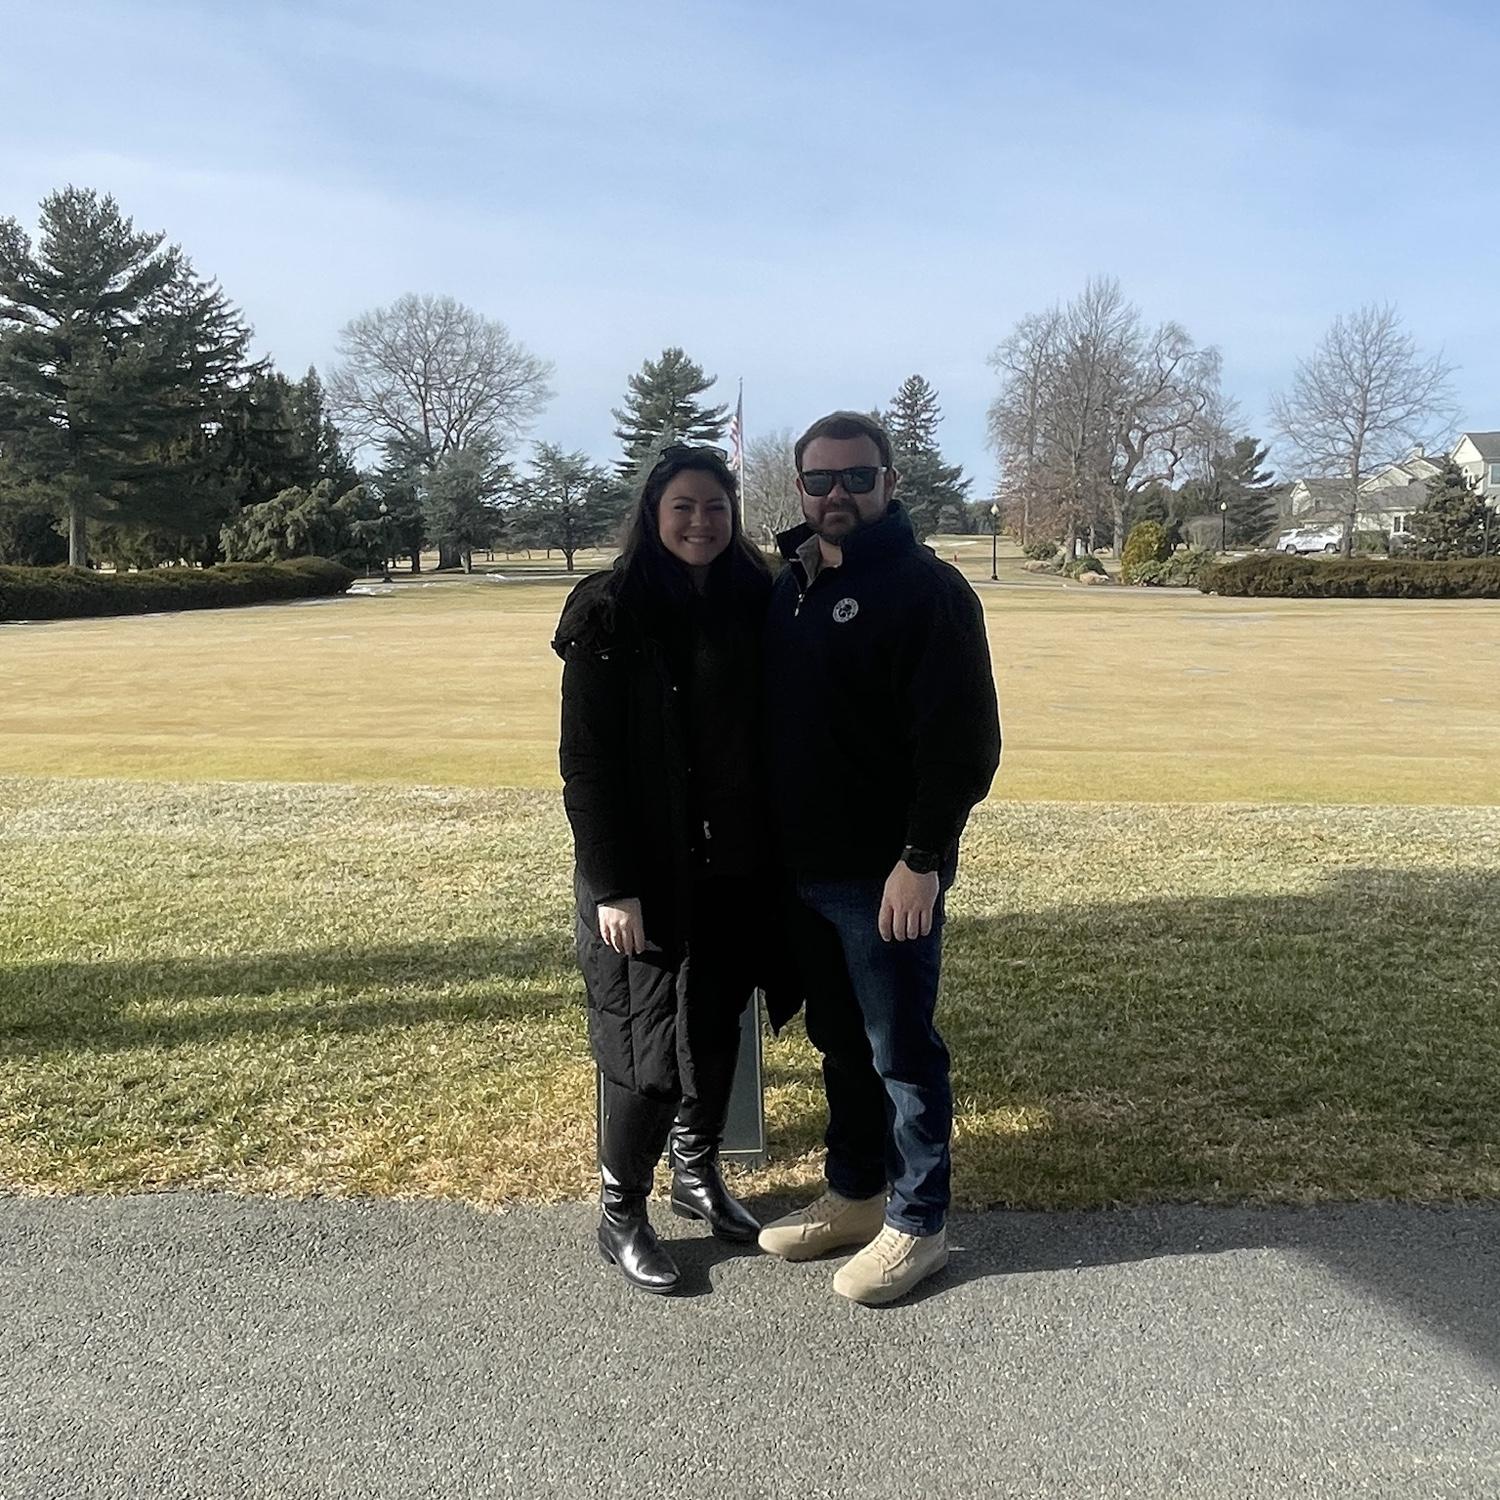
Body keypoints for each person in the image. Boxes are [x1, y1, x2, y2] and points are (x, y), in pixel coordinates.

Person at [756, 411, 1001, 1305]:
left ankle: (917, 1223)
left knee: (901, 1050)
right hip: (803, 871)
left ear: (889, 482)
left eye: (856, 478)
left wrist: (922, 856)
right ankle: (857, 1194)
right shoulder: (795, 585)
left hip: (886, 874)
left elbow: (964, 744)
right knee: (838, 1042)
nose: (837, 495)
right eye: (820, 480)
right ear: (801, 488)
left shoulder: (929, 591)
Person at [552, 444, 773, 1295]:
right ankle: (621, 1213)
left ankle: (696, 1172)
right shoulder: (609, 610)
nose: (700, 522)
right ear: (652, 513)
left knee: (713, 1032)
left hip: (729, 866)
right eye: (682, 506)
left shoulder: (753, 600)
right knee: (645, 1050)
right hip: (640, 877)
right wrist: (611, 885)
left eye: (715, 506)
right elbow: (587, 765)